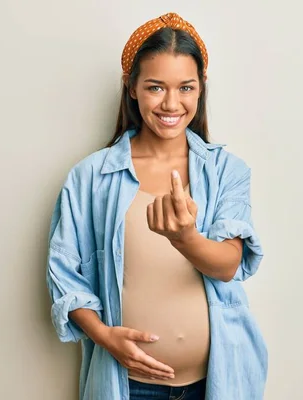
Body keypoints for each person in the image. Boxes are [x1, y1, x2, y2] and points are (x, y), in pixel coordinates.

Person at [46, 12, 267, 400]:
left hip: (219, 382)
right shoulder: (90, 177)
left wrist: (184, 238)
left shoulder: (226, 170)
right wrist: (105, 337)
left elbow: (229, 264)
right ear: (131, 88)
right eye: (155, 87)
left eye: (186, 87)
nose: (171, 103)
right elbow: (64, 277)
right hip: (128, 386)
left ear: (201, 90)